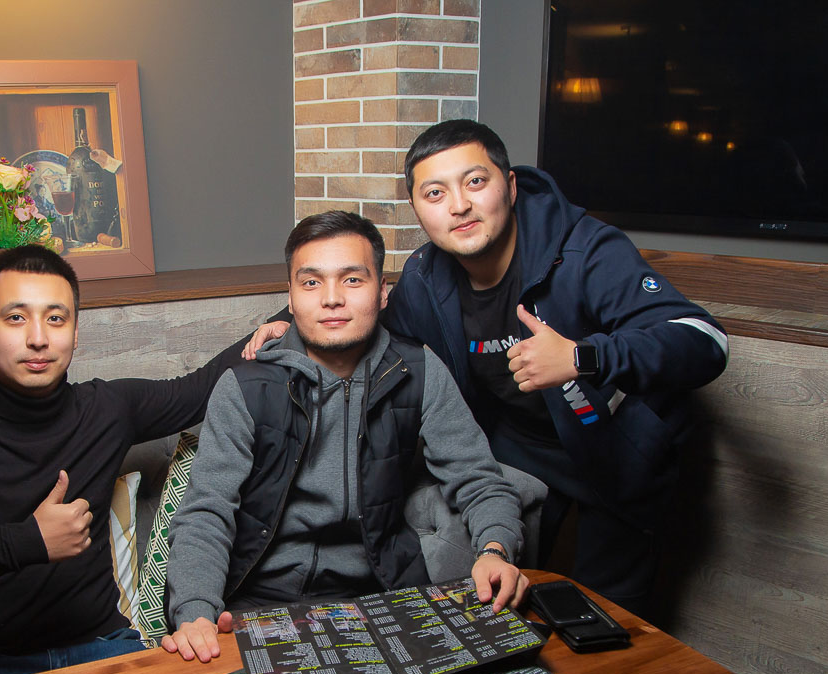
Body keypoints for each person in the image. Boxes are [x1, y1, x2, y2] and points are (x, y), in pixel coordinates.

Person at [247, 121, 729, 617]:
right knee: (510, 605)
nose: (458, 205)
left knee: (606, 620)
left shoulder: (585, 251)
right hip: (521, 454)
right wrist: (290, 327)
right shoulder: (425, 276)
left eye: (475, 181)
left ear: (511, 186)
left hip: (617, 449)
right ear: (417, 208)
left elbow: (704, 340)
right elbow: (360, 314)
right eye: (435, 193)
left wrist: (582, 357)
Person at [0, 245, 251, 674]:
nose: (38, 338)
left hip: (101, 646)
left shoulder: (108, 410)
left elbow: (201, 388)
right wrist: (28, 542)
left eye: (55, 318)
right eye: (16, 318)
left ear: (75, 332)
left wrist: (288, 318)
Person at [162, 211, 533, 663]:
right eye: (311, 283)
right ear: (291, 297)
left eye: (353, 279)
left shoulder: (419, 371)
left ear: (382, 292)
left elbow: (479, 479)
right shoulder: (245, 386)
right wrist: (195, 611)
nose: (332, 299)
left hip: (382, 595)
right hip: (260, 601)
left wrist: (495, 550)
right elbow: (207, 511)